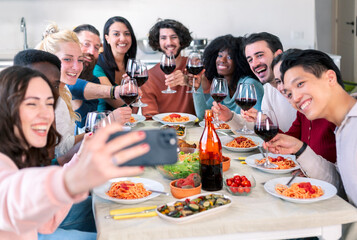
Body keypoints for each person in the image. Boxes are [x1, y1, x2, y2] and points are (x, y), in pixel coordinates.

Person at [0, 66, 149, 240]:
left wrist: (82, 156)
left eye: (49, 103)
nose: (46, 114)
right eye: (32, 104)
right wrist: (72, 180)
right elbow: (10, 198)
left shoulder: (21, 155)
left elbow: (47, 221)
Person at [265, 49, 357, 239]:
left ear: (330, 78)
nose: (295, 98)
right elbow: (340, 187)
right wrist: (301, 150)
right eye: (289, 94)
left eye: (300, 84)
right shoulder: (343, 127)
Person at [213, 32, 297, 132]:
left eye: (260, 55)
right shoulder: (267, 88)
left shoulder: (297, 92)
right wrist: (230, 117)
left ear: (278, 55)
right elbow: (265, 129)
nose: (255, 64)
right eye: (250, 60)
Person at [271, 51, 337, 164]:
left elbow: (341, 176)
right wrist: (263, 123)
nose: (283, 87)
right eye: (278, 81)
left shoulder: (341, 116)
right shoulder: (303, 110)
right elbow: (289, 140)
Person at [69, 24, 131, 130]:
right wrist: (115, 91)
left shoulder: (93, 80)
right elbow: (72, 86)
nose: (92, 52)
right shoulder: (59, 75)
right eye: (86, 44)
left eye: (96, 48)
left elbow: (84, 125)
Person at [193, 35, 263, 120]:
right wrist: (197, 88)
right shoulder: (221, 86)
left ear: (239, 61)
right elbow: (203, 115)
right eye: (219, 55)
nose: (222, 60)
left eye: (230, 57)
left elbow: (258, 122)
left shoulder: (250, 84)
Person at [139, 19, 196, 118]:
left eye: (173, 37)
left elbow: (207, 99)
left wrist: (190, 81)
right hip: (164, 130)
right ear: (158, 42)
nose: (169, 42)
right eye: (163, 38)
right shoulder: (149, 76)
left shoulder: (194, 67)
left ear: (181, 40)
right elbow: (149, 117)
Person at [93, 16, 137, 111]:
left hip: (128, 122)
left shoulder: (132, 65)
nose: (122, 38)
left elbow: (135, 105)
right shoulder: (97, 65)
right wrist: (136, 91)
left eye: (127, 34)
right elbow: (115, 102)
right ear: (107, 38)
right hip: (103, 122)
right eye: (116, 34)